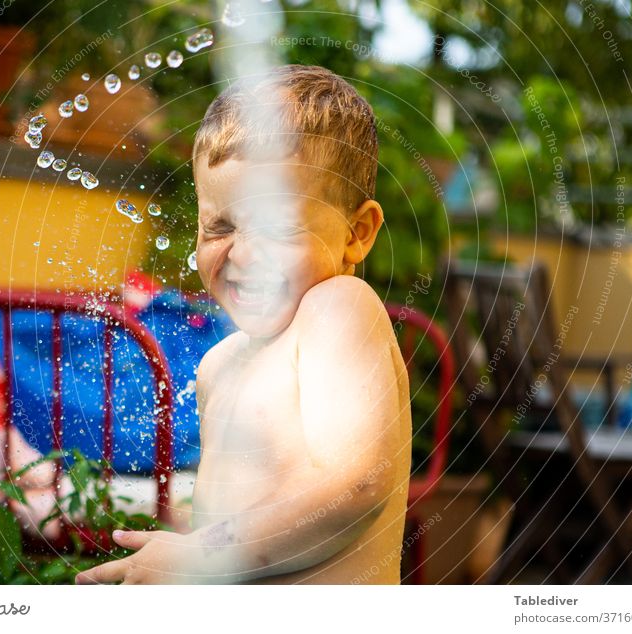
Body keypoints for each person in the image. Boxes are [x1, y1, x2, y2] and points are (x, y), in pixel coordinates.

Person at [77, 64, 412, 584]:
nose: (246, 253)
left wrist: (205, 553)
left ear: (357, 232)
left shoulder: (339, 309)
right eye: (220, 227)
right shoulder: (220, 365)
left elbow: (357, 486)